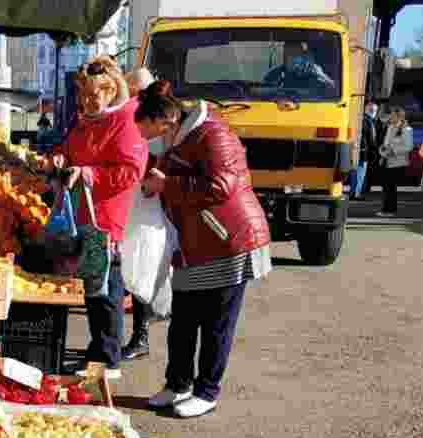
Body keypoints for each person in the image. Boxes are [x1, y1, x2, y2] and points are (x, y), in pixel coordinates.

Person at [134, 81, 272, 418]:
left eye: (148, 130)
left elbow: (221, 186)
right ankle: (177, 384)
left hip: (228, 240)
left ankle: (207, 391)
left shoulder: (213, 134)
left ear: (167, 119)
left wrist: (167, 184)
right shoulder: (176, 138)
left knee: (215, 324)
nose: (147, 140)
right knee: (182, 322)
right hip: (193, 243)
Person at [40, 56, 148, 370]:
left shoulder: (126, 121)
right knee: (93, 285)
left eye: (94, 95)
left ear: (112, 90)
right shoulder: (87, 118)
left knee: (106, 286)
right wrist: (58, 158)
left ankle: (107, 358)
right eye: (83, 95)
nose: (88, 101)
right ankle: (98, 347)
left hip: (105, 217)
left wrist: (89, 174)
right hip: (83, 213)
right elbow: (69, 147)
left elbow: (131, 171)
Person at [121, 67, 170, 361]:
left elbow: (152, 163)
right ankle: (141, 331)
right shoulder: (155, 121)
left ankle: (140, 335)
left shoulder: (151, 124)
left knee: (140, 267)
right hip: (144, 202)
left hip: (145, 203)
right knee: (143, 266)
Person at [376, 106, 413, 217]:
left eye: (392, 115)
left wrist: (394, 151)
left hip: (397, 163)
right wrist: (382, 150)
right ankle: (386, 209)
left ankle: (390, 210)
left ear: (399, 117)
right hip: (387, 161)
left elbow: (409, 146)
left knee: (391, 187)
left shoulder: (406, 129)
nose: (390, 117)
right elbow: (386, 144)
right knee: (386, 186)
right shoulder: (390, 127)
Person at [262, 41, 335, 92]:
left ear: (303, 56)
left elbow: (334, 89)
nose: (291, 58)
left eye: (295, 54)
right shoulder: (275, 74)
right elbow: (263, 91)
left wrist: (321, 75)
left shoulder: (315, 72)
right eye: (287, 54)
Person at [352, 101, 379, 200]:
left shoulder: (360, 119)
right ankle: (356, 194)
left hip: (357, 151)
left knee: (355, 174)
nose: (374, 112)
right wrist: (373, 150)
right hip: (364, 152)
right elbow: (371, 138)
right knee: (360, 174)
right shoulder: (368, 121)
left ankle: (353, 193)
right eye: (373, 110)